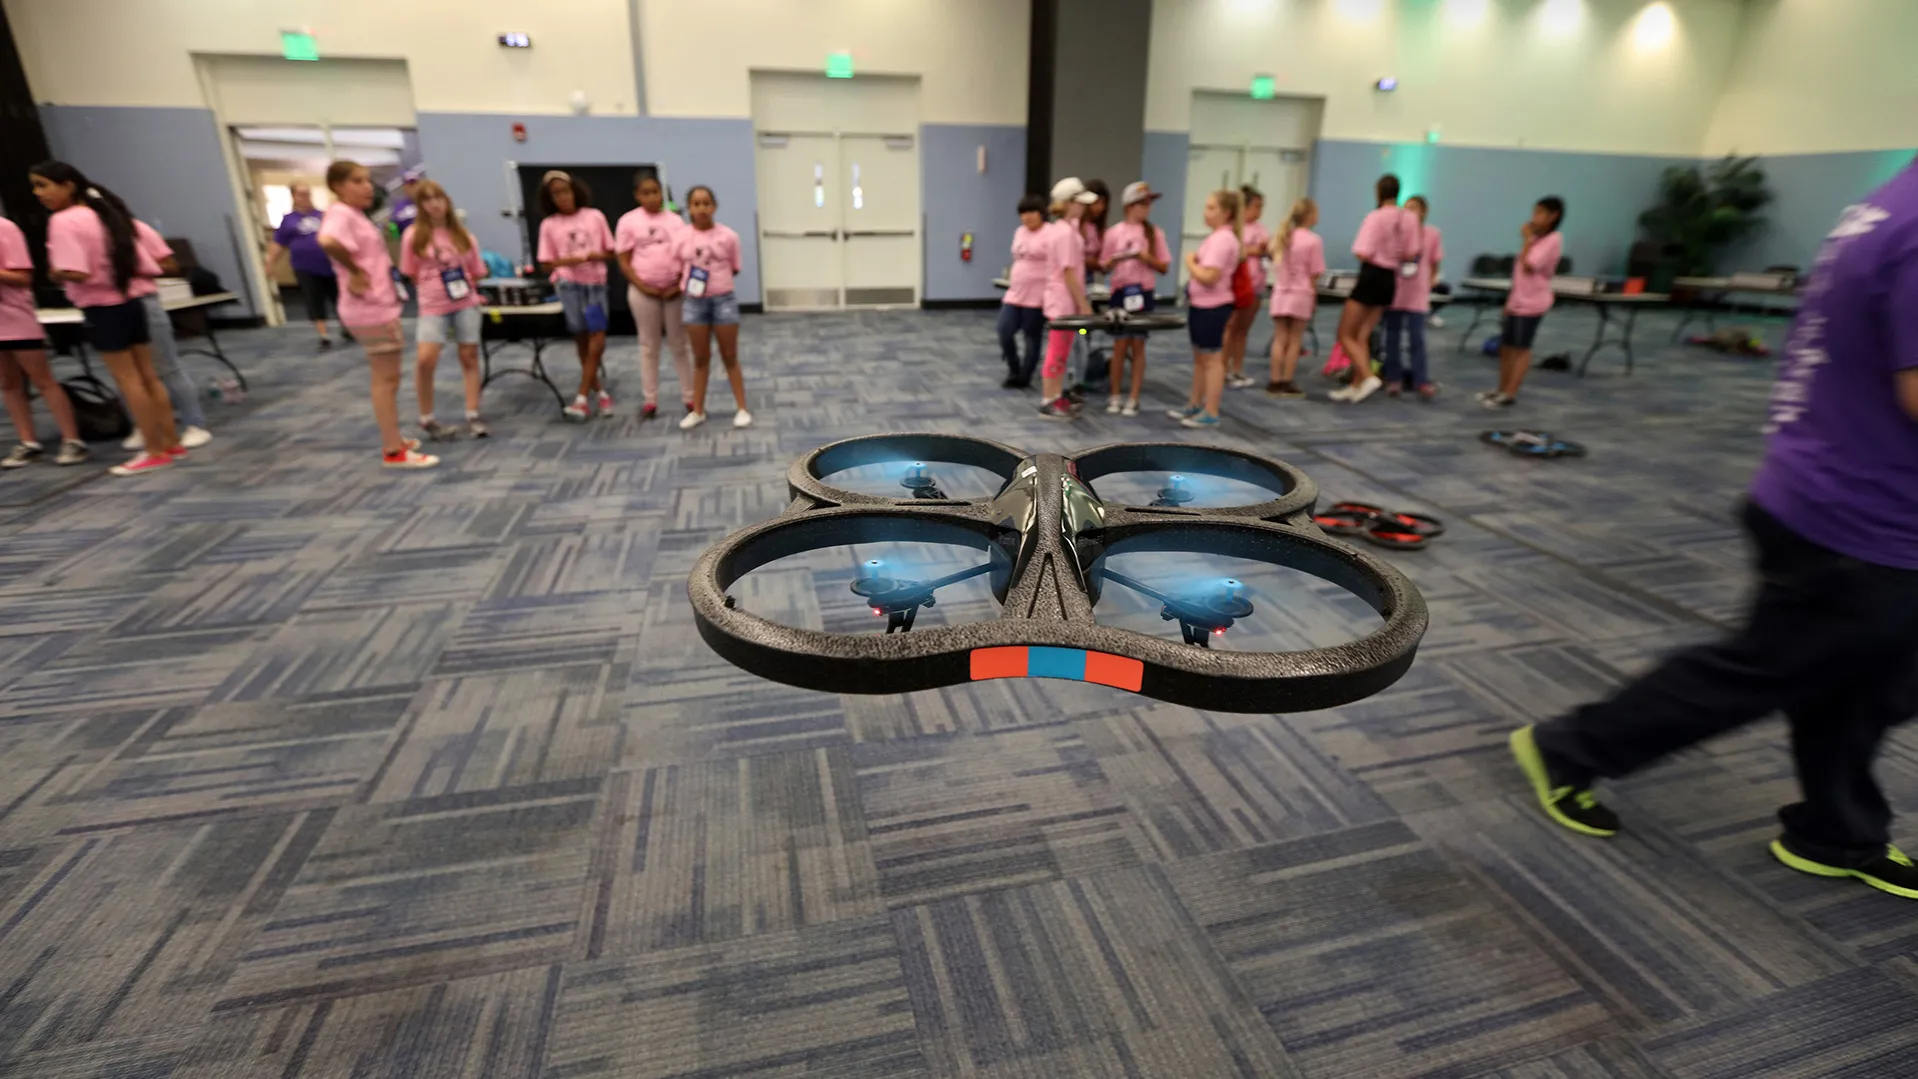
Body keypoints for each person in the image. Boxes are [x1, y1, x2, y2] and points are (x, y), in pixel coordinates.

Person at [1509, 164, 1918, 901]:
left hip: (1839, 499)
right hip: (1858, 518)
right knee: (1763, 671)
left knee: (1858, 679)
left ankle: (1838, 829)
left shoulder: (1890, 202)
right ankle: (1571, 747)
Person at [31, 160, 178, 476]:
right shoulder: (106, 214)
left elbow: (76, 272)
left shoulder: (64, 221)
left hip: (104, 307)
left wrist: (55, 272)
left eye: (43, 185)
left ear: (68, 186)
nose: (38, 193)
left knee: (129, 380)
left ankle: (154, 450)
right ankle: (170, 442)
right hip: (132, 302)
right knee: (149, 376)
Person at [317, 158, 438, 470]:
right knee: (386, 379)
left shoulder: (354, 214)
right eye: (357, 181)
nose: (367, 187)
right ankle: (393, 450)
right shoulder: (341, 214)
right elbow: (326, 241)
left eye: (368, 180)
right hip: (368, 308)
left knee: (387, 377)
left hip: (378, 303)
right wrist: (356, 271)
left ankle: (394, 438)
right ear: (338, 186)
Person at [398, 180, 487, 440]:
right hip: (432, 304)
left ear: (447, 202)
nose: (434, 204)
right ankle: (426, 417)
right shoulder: (413, 236)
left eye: (438, 198)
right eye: (427, 200)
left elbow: (477, 271)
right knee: (426, 359)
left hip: (465, 302)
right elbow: (409, 272)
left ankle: (473, 413)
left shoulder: (464, 236)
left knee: (469, 356)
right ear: (421, 206)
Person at [0, 213, 86, 468]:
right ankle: (28, 442)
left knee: (42, 380)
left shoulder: (6, 229)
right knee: (8, 384)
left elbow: (24, 278)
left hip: (16, 318)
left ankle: (72, 440)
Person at [127, 220, 214, 453]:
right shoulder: (87, 232)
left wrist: (133, 268)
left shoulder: (138, 230)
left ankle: (194, 424)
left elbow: (170, 265)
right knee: (128, 374)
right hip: (111, 307)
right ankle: (143, 424)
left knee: (167, 366)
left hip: (144, 301)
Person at [536, 170, 615, 422]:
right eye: (556, 194)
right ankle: (600, 393)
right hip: (569, 286)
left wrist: (592, 256)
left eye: (565, 191)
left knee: (597, 339)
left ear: (574, 191)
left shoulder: (595, 217)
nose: (562, 197)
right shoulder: (549, 225)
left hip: (595, 285)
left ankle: (581, 397)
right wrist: (567, 261)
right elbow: (545, 263)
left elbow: (611, 252)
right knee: (582, 340)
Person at [1333, 174, 1418, 404]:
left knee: (1345, 334)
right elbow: (1411, 252)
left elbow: (1362, 251)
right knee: (1363, 335)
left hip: (1371, 275)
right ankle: (1356, 385)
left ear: (1378, 192)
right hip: (1390, 278)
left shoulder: (1375, 217)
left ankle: (1368, 377)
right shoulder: (1409, 218)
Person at [615, 173, 693, 420]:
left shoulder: (675, 221)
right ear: (637, 196)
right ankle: (650, 400)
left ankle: (690, 397)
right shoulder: (628, 221)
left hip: (673, 292)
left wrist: (678, 285)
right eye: (645, 193)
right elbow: (624, 260)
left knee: (679, 344)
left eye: (655, 192)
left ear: (662, 193)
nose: (651, 197)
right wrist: (642, 285)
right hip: (643, 292)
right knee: (649, 346)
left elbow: (687, 256)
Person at [675, 186, 751, 430]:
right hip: (694, 303)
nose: (702, 209)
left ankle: (742, 408)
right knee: (700, 358)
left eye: (706, 203)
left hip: (723, 301)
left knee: (730, 356)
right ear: (689, 208)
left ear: (714, 207)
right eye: (696, 204)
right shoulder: (681, 236)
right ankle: (698, 410)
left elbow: (735, 267)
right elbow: (677, 268)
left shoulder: (728, 236)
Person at [1483, 196, 1565, 408]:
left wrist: (1527, 239)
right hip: (1517, 301)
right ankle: (1500, 389)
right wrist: (1509, 302)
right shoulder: (1536, 239)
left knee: (1521, 348)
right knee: (1506, 347)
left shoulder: (1553, 239)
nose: (1534, 217)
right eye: (1534, 212)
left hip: (1532, 303)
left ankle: (1510, 393)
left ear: (1553, 216)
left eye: (1539, 213)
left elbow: (1529, 265)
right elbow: (1519, 274)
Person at [1170, 189, 1241, 429]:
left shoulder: (1224, 239)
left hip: (1214, 306)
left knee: (1212, 360)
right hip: (1201, 305)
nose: (1206, 212)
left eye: (1212, 208)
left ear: (1226, 213)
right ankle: (1194, 403)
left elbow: (1209, 276)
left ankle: (1211, 410)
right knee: (1200, 359)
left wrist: (1190, 262)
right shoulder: (1215, 237)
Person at [1099, 181, 1170, 416]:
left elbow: (1164, 267)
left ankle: (1133, 397)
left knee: (1138, 345)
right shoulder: (1114, 233)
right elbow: (1104, 266)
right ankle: (1115, 395)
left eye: (1149, 204)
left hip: (1143, 292)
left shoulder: (1155, 233)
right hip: (1120, 292)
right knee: (1119, 345)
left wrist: (1147, 258)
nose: (1148, 208)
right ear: (1130, 206)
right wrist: (1111, 262)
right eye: (1143, 204)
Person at [1038, 178, 1095, 420]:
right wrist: (1084, 305)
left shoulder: (1066, 230)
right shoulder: (1064, 234)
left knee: (1062, 352)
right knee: (1058, 352)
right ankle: (1049, 399)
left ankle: (1055, 396)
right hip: (1062, 302)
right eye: (1079, 202)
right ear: (1068, 203)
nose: (1083, 207)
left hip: (1064, 300)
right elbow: (1068, 272)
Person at [264, 183, 340, 349]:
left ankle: (347, 327)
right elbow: (278, 244)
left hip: (330, 265)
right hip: (305, 267)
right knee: (314, 300)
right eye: (301, 194)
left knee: (339, 298)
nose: (305, 197)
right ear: (294, 196)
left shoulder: (323, 215)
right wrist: (270, 264)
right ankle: (324, 335)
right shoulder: (289, 220)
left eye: (307, 193)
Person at [1383, 194, 1443, 399]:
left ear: (1423, 212)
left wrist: (1431, 281)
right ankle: (1394, 378)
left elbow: (1435, 261)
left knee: (1417, 338)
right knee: (1392, 337)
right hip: (1396, 291)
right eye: (1406, 207)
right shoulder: (1396, 233)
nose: (1409, 211)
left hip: (1417, 293)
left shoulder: (1432, 234)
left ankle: (1421, 380)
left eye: (1414, 207)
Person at [1265, 197, 1323, 399]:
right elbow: (1315, 273)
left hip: (1280, 294)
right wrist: (1314, 297)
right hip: (1301, 294)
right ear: (1309, 216)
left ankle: (1274, 381)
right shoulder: (1313, 240)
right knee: (1295, 339)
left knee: (1280, 338)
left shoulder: (1282, 237)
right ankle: (1287, 380)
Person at [998, 194, 1050, 390]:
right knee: (1004, 330)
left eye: (1032, 212)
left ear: (1041, 213)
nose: (1027, 217)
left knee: (1031, 337)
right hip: (1016, 292)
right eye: (1023, 213)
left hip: (1037, 296)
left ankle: (1024, 376)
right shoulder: (1020, 232)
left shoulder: (1051, 233)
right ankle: (1013, 367)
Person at [1223, 185, 1268, 390]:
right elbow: (1235, 250)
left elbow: (1268, 249)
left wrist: (1264, 250)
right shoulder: (1234, 228)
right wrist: (1254, 250)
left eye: (1261, 207)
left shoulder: (1261, 228)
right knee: (1231, 327)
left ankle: (1237, 368)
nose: (1259, 211)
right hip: (1237, 285)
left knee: (1243, 329)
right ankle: (1223, 368)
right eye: (1256, 206)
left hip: (1256, 284)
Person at [1080, 180, 1110, 283]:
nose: (1100, 207)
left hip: (1089, 278)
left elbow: (1102, 261)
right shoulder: (1077, 225)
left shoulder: (1099, 228)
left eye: (1103, 203)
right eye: (1096, 202)